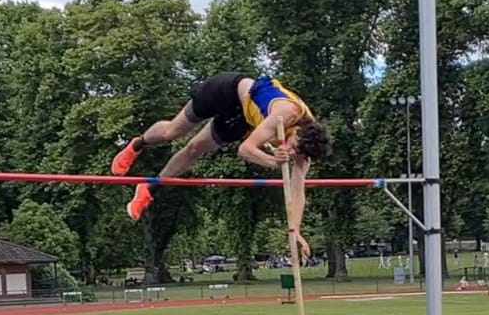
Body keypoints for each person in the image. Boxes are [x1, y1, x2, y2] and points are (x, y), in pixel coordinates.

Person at [111, 73, 331, 255]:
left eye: (296, 153)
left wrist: (296, 230)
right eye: (294, 147)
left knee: (194, 150)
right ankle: (137, 145)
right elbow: (245, 149)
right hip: (228, 91)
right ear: (299, 131)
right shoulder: (286, 113)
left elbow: (297, 189)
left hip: (244, 119)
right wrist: (273, 161)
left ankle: (149, 188)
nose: (293, 153)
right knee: (173, 132)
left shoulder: (306, 147)